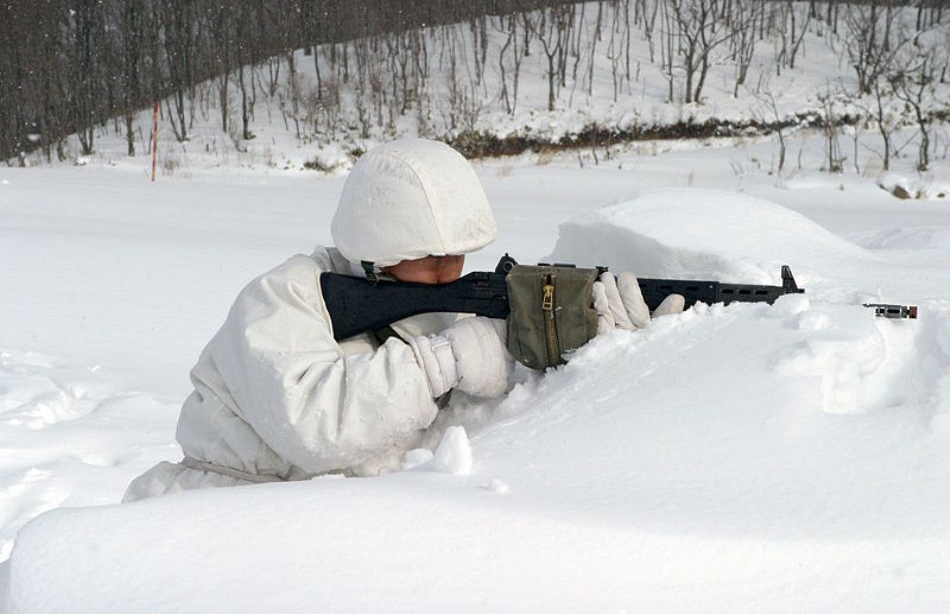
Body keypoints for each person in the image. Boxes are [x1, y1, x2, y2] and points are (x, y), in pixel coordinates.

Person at [124, 138, 681, 501]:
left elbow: (450, 435)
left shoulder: (443, 298)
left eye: (456, 254)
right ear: (373, 245)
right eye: (427, 255)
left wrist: (576, 350)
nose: (445, 271)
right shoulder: (285, 295)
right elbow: (315, 429)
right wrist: (451, 358)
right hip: (218, 509)